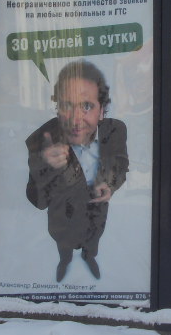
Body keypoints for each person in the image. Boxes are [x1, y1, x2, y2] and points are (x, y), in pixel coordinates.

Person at [25, 60, 129, 282]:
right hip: (62, 215)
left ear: (102, 110)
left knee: (93, 238)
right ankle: (65, 260)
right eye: (66, 105)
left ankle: (89, 256)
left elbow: (121, 164)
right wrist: (46, 167)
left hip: (95, 212)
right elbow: (37, 200)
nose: (75, 118)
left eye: (87, 106)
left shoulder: (115, 131)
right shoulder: (42, 139)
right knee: (63, 242)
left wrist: (109, 183)